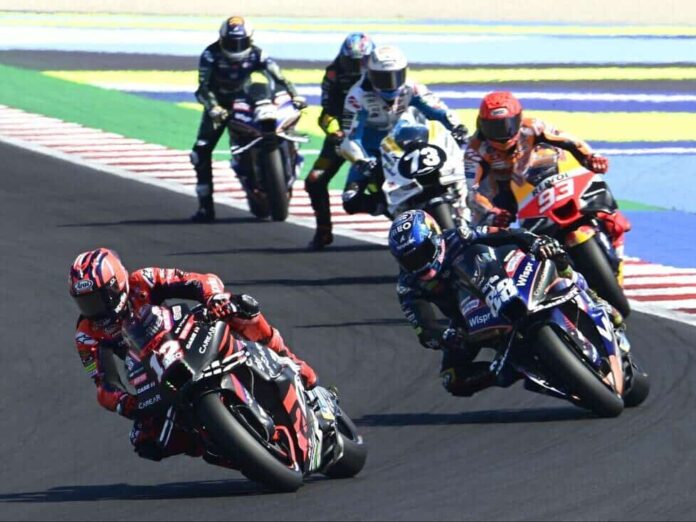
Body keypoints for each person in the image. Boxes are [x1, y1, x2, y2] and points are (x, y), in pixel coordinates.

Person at [69, 248, 317, 463]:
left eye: (96, 300)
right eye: (84, 302)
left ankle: (286, 356)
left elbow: (200, 281)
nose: (92, 309)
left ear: (116, 286)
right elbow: (103, 384)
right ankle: (222, 446)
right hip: (152, 374)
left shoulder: (142, 280)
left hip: (184, 336)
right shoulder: (86, 334)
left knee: (241, 308)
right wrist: (125, 403)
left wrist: (214, 298)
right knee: (146, 441)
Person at [388, 209, 621, 398]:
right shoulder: (408, 286)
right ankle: (508, 370)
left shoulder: (458, 236)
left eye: (423, 253)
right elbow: (423, 326)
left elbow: (504, 233)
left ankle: (591, 295)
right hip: (468, 322)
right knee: (452, 379)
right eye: (410, 260)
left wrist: (534, 242)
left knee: (553, 252)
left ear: (435, 237)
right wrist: (442, 337)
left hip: (501, 279)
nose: (419, 264)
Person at [465, 90, 631, 257]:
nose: (501, 135)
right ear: (481, 124)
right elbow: (472, 190)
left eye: (507, 125)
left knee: (584, 178)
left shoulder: (533, 126)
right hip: (501, 193)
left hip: (534, 177)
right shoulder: (475, 150)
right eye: (493, 128)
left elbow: (570, 141)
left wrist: (591, 157)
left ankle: (608, 219)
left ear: (519, 119)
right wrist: (492, 211)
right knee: (487, 237)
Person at [190, 16, 306, 223]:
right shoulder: (210, 54)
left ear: (250, 40)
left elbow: (279, 77)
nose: (235, 48)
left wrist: (294, 96)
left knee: (283, 123)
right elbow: (203, 88)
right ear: (221, 39)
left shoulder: (257, 54)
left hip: (247, 102)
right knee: (200, 152)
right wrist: (213, 107)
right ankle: (205, 207)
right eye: (230, 43)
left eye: (240, 43)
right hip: (221, 107)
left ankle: (288, 164)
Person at [339, 45, 468, 217]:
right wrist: (362, 160)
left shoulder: (412, 87)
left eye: (396, 76)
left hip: (404, 136)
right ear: (370, 74)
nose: (390, 84)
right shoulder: (357, 95)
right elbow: (351, 138)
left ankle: (456, 193)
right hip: (372, 149)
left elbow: (438, 109)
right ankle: (387, 207)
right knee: (351, 200)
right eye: (382, 78)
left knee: (442, 151)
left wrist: (457, 126)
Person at [305, 32, 375, 250]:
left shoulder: (381, 75)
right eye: (351, 62)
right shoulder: (333, 74)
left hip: (373, 136)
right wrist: (336, 133)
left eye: (361, 62)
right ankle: (323, 230)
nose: (356, 68)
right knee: (314, 180)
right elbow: (326, 114)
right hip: (342, 137)